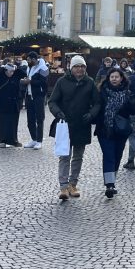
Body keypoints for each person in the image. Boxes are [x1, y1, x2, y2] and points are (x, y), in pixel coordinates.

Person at [48, 55, 100, 200]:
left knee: (78, 157)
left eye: (82, 66)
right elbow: (52, 101)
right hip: (65, 124)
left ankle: (73, 184)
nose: (80, 69)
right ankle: (63, 187)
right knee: (64, 156)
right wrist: (58, 113)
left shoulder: (89, 82)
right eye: (77, 66)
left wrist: (91, 114)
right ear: (72, 68)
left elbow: (97, 103)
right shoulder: (62, 81)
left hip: (82, 124)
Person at [95, 66, 135, 198]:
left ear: (121, 78)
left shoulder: (127, 93)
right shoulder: (101, 91)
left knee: (117, 155)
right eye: (112, 76)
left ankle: (112, 179)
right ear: (108, 78)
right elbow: (96, 107)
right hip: (104, 129)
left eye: (116, 77)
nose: (114, 79)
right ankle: (110, 184)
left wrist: (131, 101)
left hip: (120, 130)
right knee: (109, 155)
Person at [0, 60, 25, 148]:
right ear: (5, 70)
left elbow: (24, 74)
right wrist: (3, 68)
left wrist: (16, 68)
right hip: (2, 103)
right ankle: (2, 141)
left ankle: (14, 140)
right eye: (10, 71)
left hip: (14, 103)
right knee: (2, 122)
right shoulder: (0, 76)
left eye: (13, 71)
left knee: (13, 123)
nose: (12, 73)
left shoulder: (16, 74)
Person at [23, 52, 49, 149]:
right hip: (29, 96)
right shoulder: (29, 67)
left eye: (29, 60)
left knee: (39, 119)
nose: (28, 62)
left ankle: (39, 141)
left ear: (34, 59)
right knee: (30, 120)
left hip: (39, 96)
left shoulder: (43, 68)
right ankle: (33, 139)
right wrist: (25, 80)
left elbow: (44, 83)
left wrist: (30, 81)